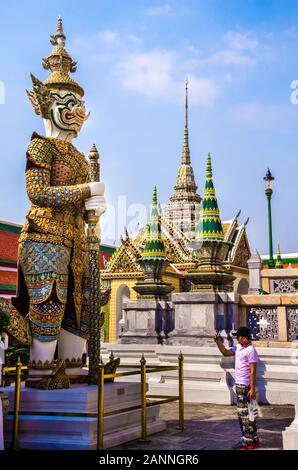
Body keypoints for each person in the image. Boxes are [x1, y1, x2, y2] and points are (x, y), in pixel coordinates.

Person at [214, 326, 260, 450]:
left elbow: (253, 371)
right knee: (250, 412)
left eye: (238, 337)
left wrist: (252, 388)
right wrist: (218, 342)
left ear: (244, 338)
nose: (237, 339)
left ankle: (247, 439)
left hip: (246, 386)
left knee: (244, 413)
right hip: (240, 384)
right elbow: (226, 352)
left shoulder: (251, 350)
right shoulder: (239, 347)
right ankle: (253, 437)